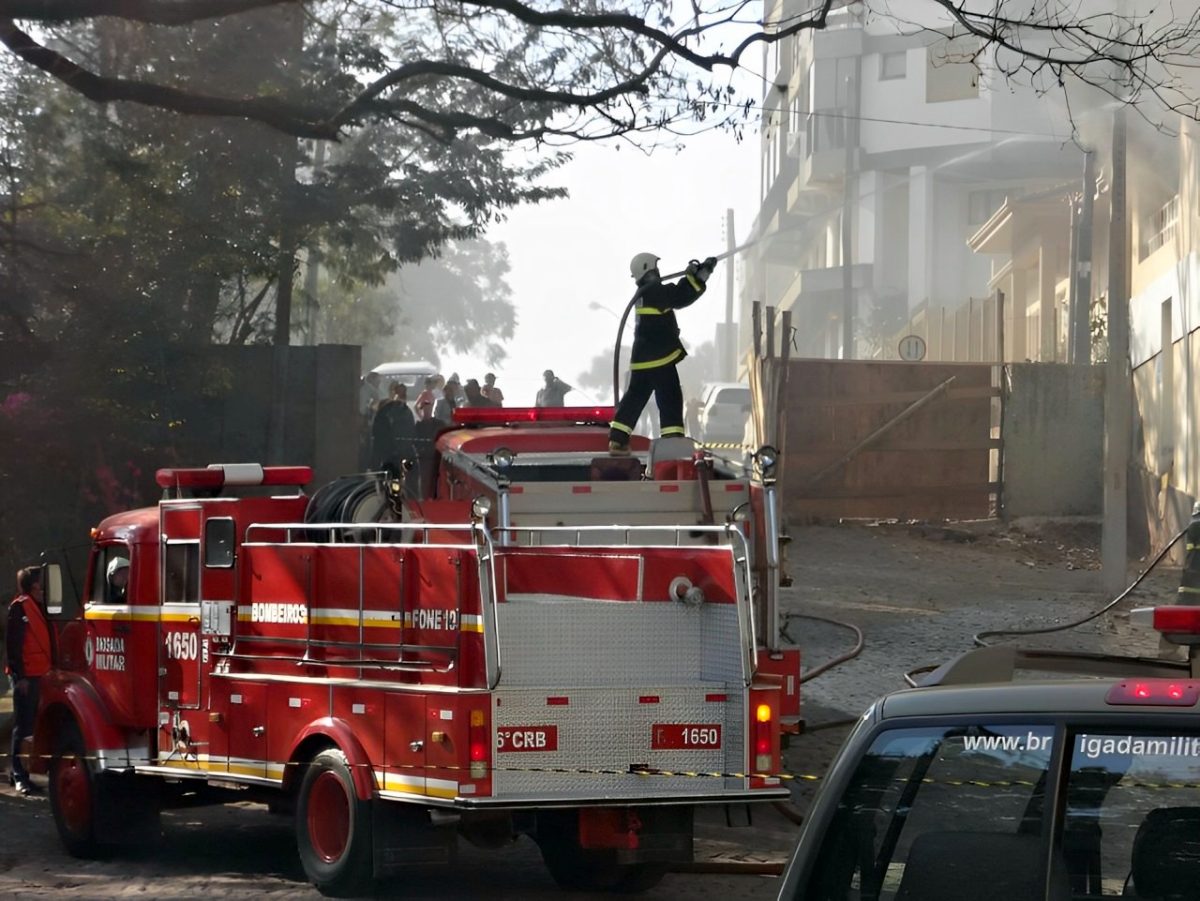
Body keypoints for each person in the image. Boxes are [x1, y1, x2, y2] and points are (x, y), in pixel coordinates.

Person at [608, 252, 717, 454]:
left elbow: (673, 293)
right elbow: (679, 296)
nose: (658, 271)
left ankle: (618, 440)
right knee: (670, 396)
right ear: (648, 268)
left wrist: (691, 276)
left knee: (635, 398)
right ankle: (672, 440)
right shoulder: (652, 291)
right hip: (658, 357)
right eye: (655, 267)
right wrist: (702, 275)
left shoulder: (644, 293)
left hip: (643, 359)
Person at [6, 566, 51, 795]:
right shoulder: (20, 607)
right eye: (40, 584)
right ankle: (18, 775)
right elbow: (13, 647)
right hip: (27, 678)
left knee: (31, 727)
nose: (43, 589)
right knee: (22, 727)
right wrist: (19, 676)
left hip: (39, 675)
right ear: (32, 585)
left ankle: (25, 773)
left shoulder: (38, 607)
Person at [372, 382, 416, 470]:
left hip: (401, 448)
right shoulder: (385, 409)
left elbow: (409, 429)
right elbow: (379, 427)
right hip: (387, 448)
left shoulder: (406, 411)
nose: (400, 396)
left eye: (402, 393)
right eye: (398, 393)